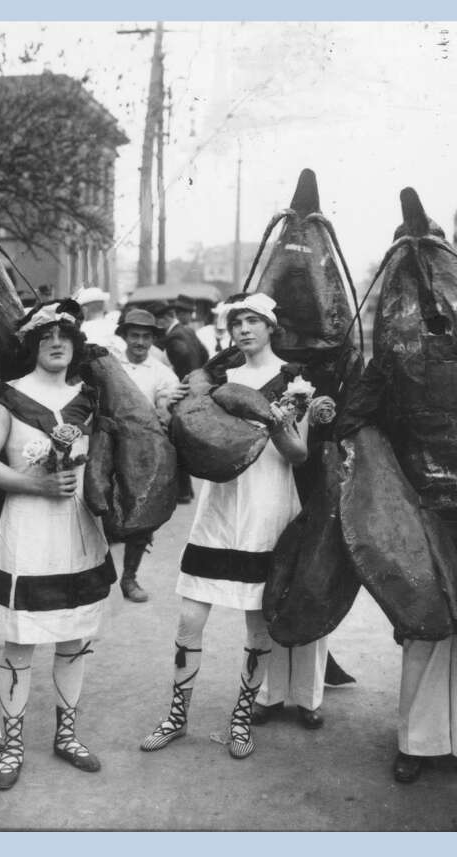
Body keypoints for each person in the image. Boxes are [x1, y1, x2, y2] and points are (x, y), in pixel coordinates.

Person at [141, 292, 320, 761]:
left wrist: (278, 423)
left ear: (270, 327)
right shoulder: (216, 376)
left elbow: (299, 453)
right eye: (237, 321)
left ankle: (241, 720)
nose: (244, 329)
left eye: (253, 321)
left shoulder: (296, 380)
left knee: (256, 623)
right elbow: (188, 428)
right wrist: (174, 402)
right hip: (219, 504)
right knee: (190, 616)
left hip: (267, 503)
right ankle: (177, 716)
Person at [0, 299, 116, 790]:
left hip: (75, 529)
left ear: (76, 345)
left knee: (74, 635)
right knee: (20, 636)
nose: (56, 343)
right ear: (32, 344)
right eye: (46, 336)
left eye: (65, 336)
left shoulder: (89, 397)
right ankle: (12, 746)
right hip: (27, 528)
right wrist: (36, 485)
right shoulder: (7, 397)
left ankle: (66, 735)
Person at [110, 307, 185, 602]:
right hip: (108, 444)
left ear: (153, 339)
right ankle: (92, 575)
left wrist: (165, 409)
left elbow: (166, 408)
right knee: (97, 509)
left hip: (143, 453)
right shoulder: (111, 364)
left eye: (145, 336)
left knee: (142, 513)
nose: (140, 342)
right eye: (134, 335)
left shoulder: (163, 373)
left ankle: (129, 578)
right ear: (125, 336)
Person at [155, 296, 209, 504]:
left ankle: (183, 490)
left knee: (175, 440)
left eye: (159, 320)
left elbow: (184, 365)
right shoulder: (188, 331)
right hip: (197, 388)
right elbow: (204, 356)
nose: (158, 326)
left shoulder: (174, 339)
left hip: (183, 393)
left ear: (169, 317)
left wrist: (182, 385)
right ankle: (184, 490)